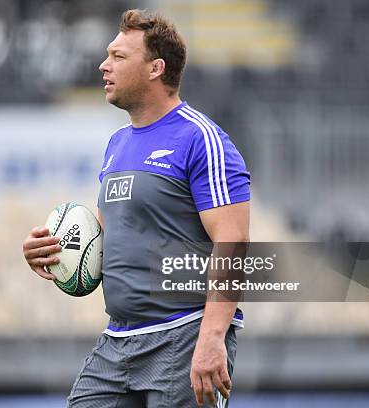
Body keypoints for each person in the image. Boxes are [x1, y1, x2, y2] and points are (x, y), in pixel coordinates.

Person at [22, 9, 250, 408]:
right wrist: (53, 247)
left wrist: (213, 338)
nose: (103, 65)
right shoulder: (117, 144)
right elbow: (108, 230)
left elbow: (233, 240)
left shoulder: (201, 139)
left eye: (118, 56)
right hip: (118, 342)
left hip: (185, 337)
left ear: (155, 69)